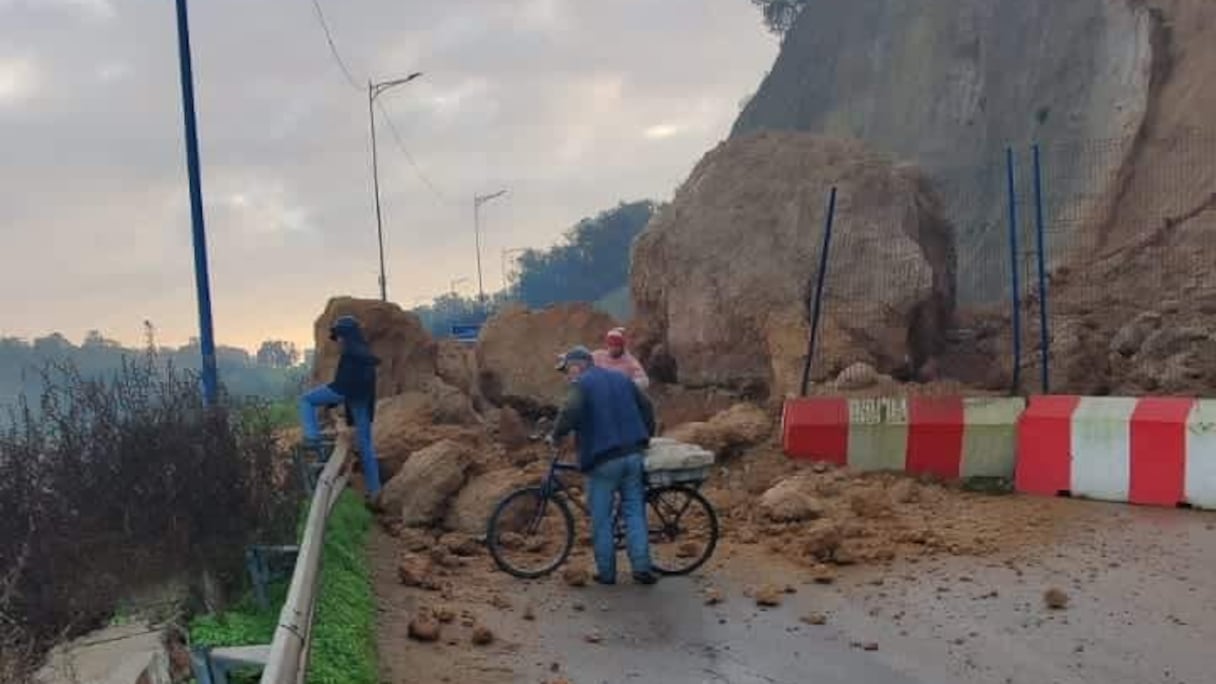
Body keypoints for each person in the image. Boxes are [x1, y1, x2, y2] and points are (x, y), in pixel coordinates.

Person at [549, 345, 658, 585]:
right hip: (633, 454)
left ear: (577, 366)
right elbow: (647, 406)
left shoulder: (582, 384)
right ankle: (642, 567)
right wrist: (646, 436)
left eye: (567, 370)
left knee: (601, 518)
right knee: (634, 512)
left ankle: (607, 573)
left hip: (603, 460)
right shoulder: (621, 378)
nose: (566, 376)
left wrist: (556, 435)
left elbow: (570, 411)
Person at [298, 315, 382, 499]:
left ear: (346, 335)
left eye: (340, 336)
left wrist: (333, 399)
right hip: (362, 399)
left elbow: (341, 384)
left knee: (306, 400)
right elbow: (364, 383)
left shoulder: (350, 353)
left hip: (347, 392)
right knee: (366, 445)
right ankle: (375, 490)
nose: (339, 340)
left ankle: (312, 437)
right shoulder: (365, 353)